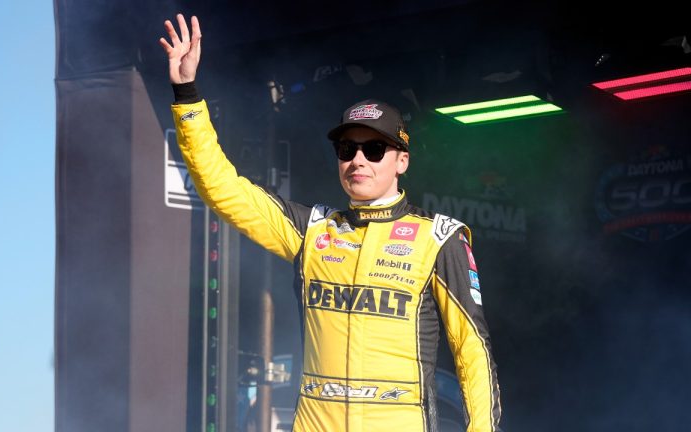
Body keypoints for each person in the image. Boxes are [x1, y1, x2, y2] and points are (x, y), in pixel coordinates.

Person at [160, 13, 501, 432]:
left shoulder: (439, 239)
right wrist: (187, 93)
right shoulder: (312, 230)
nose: (358, 159)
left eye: (375, 148)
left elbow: (472, 350)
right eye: (347, 148)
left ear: (402, 161)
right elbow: (219, 187)